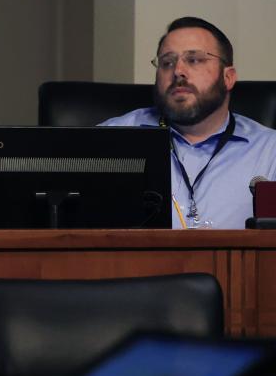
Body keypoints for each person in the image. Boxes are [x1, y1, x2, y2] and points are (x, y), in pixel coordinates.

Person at [101, 16, 276, 229]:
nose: (177, 71)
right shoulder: (112, 139)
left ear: (228, 77)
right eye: (167, 62)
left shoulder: (269, 152)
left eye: (194, 60)